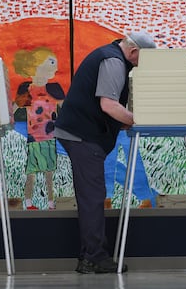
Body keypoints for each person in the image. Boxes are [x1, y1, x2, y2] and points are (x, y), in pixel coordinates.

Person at [54, 31, 156, 274]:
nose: (142, 65)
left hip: (80, 134)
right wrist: (138, 120)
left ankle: (88, 256)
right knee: (92, 197)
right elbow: (108, 105)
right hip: (82, 136)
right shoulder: (113, 61)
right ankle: (95, 258)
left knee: (92, 195)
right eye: (144, 59)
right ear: (133, 52)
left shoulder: (108, 55)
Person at [13, 47, 65, 210]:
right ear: (37, 65)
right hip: (34, 139)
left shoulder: (54, 89)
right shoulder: (27, 89)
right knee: (31, 172)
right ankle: (28, 202)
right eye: (51, 63)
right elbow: (13, 109)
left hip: (49, 139)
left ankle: (50, 202)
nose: (55, 68)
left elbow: (67, 109)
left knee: (49, 172)